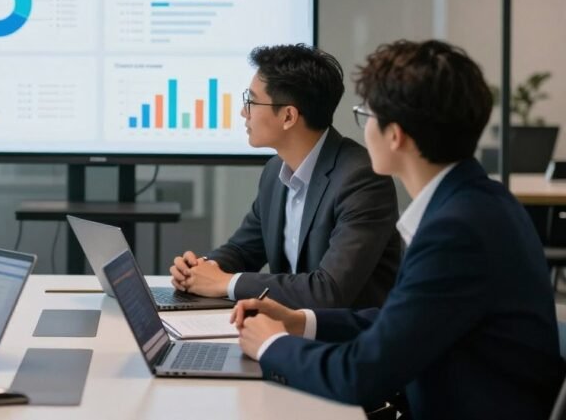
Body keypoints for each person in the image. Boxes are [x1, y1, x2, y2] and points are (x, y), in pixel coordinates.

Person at [233, 40, 564, 419]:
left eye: (366, 115)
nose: (363, 129)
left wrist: (272, 345)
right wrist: (301, 321)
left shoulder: (457, 230)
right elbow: (402, 319)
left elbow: (361, 374)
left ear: (397, 135)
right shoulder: (478, 202)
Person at [170, 44, 401, 308]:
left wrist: (224, 283)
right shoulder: (274, 172)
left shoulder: (361, 179)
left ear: (288, 116)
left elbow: (330, 290)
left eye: (251, 101)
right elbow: (243, 249)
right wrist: (200, 270)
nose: (243, 113)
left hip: (346, 340)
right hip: (289, 328)